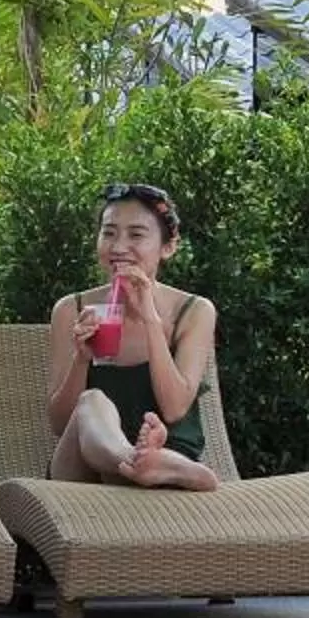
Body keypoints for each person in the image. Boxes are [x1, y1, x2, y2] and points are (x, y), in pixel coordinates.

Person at [47, 182, 220, 492]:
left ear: (168, 246)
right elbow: (60, 425)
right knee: (91, 402)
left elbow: (174, 409)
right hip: (86, 475)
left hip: (168, 465)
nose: (118, 246)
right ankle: (136, 461)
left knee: (154, 445)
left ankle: (157, 463)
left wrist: (150, 319)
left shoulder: (193, 311)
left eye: (136, 235)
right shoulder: (71, 309)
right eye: (109, 232)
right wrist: (82, 357)